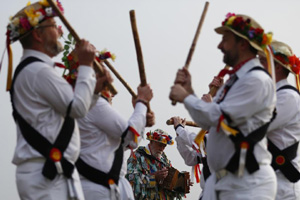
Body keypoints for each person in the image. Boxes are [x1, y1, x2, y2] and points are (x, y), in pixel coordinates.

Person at [7, 1, 110, 199]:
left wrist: (95, 91)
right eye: (54, 26)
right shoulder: (39, 71)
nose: (60, 32)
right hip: (46, 173)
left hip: (51, 172)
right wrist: (87, 66)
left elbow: (74, 108)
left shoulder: (35, 69)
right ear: (38, 34)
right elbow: (77, 108)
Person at [169, 13, 277, 200]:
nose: (220, 46)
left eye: (225, 40)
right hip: (223, 183)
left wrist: (186, 97)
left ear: (243, 44)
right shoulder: (235, 81)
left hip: (246, 185)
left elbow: (217, 117)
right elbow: (206, 119)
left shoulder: (256, 80)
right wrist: (189, 89)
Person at [74, 67, 155, 199]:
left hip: (104, 185)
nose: (111, 94)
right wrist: (141, 102)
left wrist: (142, 118)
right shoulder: (94, 104)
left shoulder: (87, 104)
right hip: (97, 185)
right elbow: (130, 135)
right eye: (108, 89)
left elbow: (127, 142)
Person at [259, 41, 300, 200]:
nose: (257, 66)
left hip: (282, 186)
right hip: (267, 182)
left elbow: (256, 126)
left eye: (263, 61)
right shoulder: (271, 96)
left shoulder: (287, 97)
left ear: (277, 67)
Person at [126, 129, 184, 200]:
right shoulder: (136, 156)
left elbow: (170, 186)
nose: (162, 149)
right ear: (151, 141)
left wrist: (180, 183)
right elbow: (130, 182)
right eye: (160, 145)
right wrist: (154, 177)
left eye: (164, 146)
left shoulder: (165, 160)